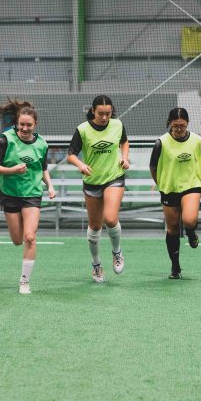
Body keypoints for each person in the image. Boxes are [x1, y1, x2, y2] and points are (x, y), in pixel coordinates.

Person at [0, 98, 55, 294]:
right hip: (9, 193)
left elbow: (42, 169)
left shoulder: (42, 144)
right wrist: (13, 170)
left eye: (29, 125)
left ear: (35, 124)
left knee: (29, 237)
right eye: (22, 125)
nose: (25, 128)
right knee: (17, 240)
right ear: (17, 123)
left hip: (32, 194)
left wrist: (50, 186)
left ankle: (24, 281)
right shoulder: (5, 140)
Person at [66, 95, 129, 283]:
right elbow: (70, 154)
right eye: (101, 113)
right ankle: (96, 264)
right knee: (94, 225)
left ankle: (117, 252)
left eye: (108, 114)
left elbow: (124, 142)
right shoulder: (83, 129)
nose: (104, 117)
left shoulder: (117, 125)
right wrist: (80, 165)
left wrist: (124, 158)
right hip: (92, 180)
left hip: (114, 177)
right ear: (93, 111)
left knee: (110, 218)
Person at [149, 108, 201, 279]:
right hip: (169, 188)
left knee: (188, 220)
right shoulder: (161, 143)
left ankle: (191, 232)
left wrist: (199, 184)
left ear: (187, 124)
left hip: (191, 185)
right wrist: (160, 183)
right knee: (172, 228)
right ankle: (175, 267)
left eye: (183, 126)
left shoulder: (196, 140)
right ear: (170, 124)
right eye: (175, 126)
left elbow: (200, 161)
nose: (179, 130)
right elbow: (153, 166)